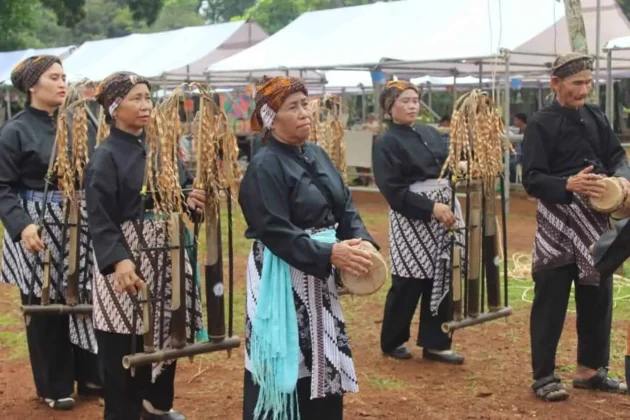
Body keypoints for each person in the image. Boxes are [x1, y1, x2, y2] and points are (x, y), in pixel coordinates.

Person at [239, 76, 378, 420]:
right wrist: (328, 253)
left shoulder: (315, 153)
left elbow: (344, 205)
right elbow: (273, 228)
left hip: (319, 274)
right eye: (292, 107)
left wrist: (364, 245)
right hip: (282, 274)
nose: (304, 113)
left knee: (323, 353)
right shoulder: (264, 165)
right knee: (285, 360)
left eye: (305, 104)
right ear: (271, 117)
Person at [85, 71, 206, 420]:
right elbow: (100, 218)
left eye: (147, 97)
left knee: (167, 328)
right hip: (126, 259)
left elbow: (180, 191)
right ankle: (122, 411)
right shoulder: (104, 157)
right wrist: (120, 262)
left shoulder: (161, 150)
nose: (144, 105)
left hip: (166, 251)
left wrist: (191, 199)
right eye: (135, 98)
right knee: (124, 338)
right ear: (113, 106)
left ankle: (158, 406)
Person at [522, 52, 630, 402]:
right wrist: (567, 185)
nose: (584, 90)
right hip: (559, 219)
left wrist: (621, 182)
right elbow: (532, 179)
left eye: (588, 83)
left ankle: (590, 369)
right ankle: (544, 375)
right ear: (556, 84)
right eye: (576, 84)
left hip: (597, 217)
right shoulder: (541, 123)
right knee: (551, 296)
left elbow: (617, 157)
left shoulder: (595, 115)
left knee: (597, 294)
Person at [0, 55, 102, 410]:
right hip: (37, 223)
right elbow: (2, 186)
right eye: (53, 77)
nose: (62, 84)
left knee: (87, 294)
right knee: (45, 302)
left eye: (64, 77)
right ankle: (54, 385)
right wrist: (22, 225)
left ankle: (92, 375)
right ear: (32, 86)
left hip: (83, 219)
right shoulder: (15, 131)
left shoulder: (82, 122)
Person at [373, 80, 465, 364]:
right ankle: (393, 340)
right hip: (411, 214)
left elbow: (445, 166)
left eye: (415, 100)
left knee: (444, 273)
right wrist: (430, 207)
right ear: (390, 108)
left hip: (445, 208)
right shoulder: (386, 142)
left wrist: (458, 167)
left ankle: (436, 342)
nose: (412, 105)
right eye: (405, 101)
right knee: (409, 279)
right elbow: (393, 190)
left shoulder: (430, 132)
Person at [510, 113, 527, 183]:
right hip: (519, 154)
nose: (514, 122)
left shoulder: (527, 130)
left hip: (523, 155)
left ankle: (514, 181)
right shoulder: (521, 130)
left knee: (511, 164)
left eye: (515, 120)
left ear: (520, 121)